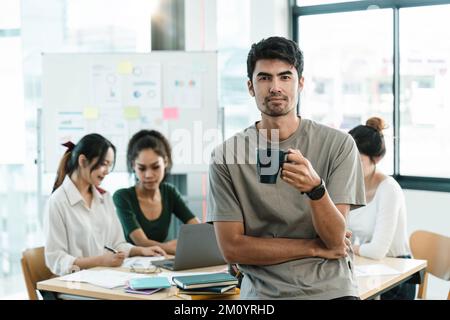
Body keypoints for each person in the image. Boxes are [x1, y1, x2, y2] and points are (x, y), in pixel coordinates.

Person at [207, 36, 366, 300]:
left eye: (285, 77)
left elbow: (335, 240)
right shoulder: (225, 156)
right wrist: (314, 248)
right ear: (250, 86)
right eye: (264, 78)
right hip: (264, 295)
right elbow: (232, 249)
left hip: (331, 291)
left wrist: (316, 190)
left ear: (300, 83)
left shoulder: (339, 144)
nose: (275, 87)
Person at [45, 134, 166, 276]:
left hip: (106, 278)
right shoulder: (58, 202)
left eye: (110, 165)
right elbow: (56, 260)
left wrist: (141, 250)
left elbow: (117, 245)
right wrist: (100, 261)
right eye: (103, 164)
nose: (107, 171)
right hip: (76, 285)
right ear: (83, 161)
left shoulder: (104, 197)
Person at [348, 117, 416, 300]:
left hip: (397, 276)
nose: (350, 167)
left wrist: (350, 247)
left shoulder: (389, 189)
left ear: (376, 158)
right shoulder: (350, 185)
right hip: (366, 269)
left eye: (358, 161)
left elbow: (377, 250)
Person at [113, 130, 199, 255]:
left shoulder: (170, 192)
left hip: (162, 261)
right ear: (133, 166)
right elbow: (141, 242)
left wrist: (168, 246)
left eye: (155, 167)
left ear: (165, 162)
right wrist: (177, 247)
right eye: (142, 168)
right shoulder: (122, 197)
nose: (149, 175)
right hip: (132, 265)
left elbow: (197, 228)